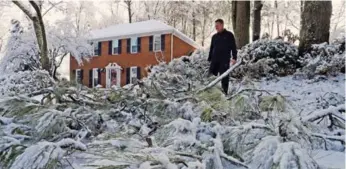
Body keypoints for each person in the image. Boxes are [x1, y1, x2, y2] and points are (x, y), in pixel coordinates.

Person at [208, 19, 237, 95]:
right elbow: (211, 48)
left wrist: (234, 57)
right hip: (214, 60)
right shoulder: (214, 37)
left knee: (224, 77)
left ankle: (224, 93)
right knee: (211, 76)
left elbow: (233, 47)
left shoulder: (229, 35)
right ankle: (211, 92)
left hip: (224, 60)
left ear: (222, 25)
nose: (216, 27)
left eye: (217, 25)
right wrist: (209, 58)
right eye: (215, 25)